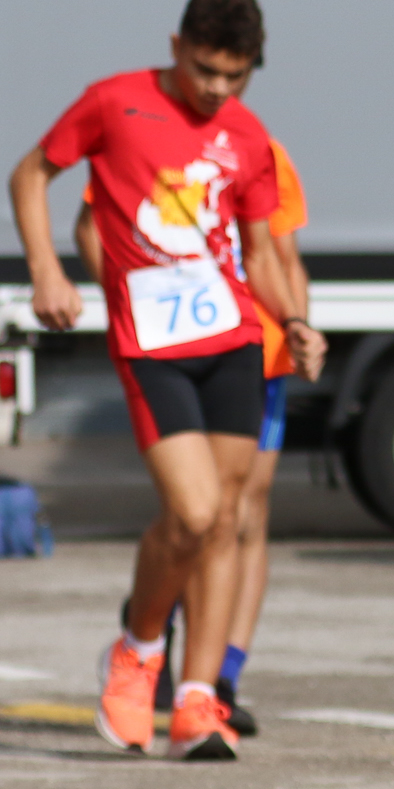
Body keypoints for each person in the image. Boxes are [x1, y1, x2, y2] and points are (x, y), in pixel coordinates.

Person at [10, 0, 325, 761]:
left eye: (235, 76)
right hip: (153, 345)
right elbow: (31, 175)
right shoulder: (115, 102)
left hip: (233, 343)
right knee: (190, 511)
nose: (217, 89)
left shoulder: (248, 136)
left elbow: (260, 254)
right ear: (177, 46)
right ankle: (138, 648)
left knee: (224, 519)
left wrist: (294, 321)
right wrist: (48, 271)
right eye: (205, 70)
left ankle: (197, 701)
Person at [77, 137, 312, 737]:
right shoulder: (142, 138)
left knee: (244, 513)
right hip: (176, 345)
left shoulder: (261, 149)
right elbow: (92, 227)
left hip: (256, 350)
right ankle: (148, 630)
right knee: (194, 513)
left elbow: (283, 256)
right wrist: (130, 303)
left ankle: (219, 680)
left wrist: (298, 328)